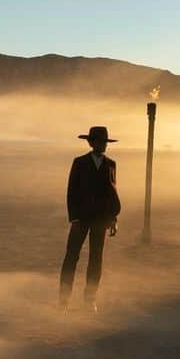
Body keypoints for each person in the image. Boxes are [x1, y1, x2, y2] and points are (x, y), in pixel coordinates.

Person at [59, 125, 121, 312]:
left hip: (101, 219)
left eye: (105, 142)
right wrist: (74, 218)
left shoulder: (111, 164)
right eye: (100, 142)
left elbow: (112, 192)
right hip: (81, 218)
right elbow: (72, 191)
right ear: (91, 142)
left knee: (96, 259)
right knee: (71, 257)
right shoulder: (79, 162)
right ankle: (64, 298)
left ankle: (90, 298)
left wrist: (113, 218)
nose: (103, 145)